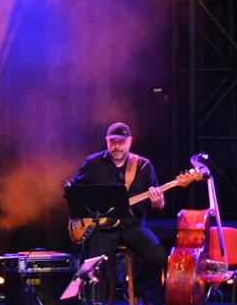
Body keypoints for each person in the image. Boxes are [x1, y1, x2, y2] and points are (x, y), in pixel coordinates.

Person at [65, 122, 167, 291]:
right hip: (102, 229)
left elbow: (159, 206)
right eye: (113, 142)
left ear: (130, 141)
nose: (117, 146)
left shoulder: (143, 166)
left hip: (133, 227)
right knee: (94, 266)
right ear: (107, 141)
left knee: (158, 257)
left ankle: (134, 290)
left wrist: (158, 200)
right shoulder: (93, 163)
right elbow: (73, 193)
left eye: (121, 142)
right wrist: (81, 215)